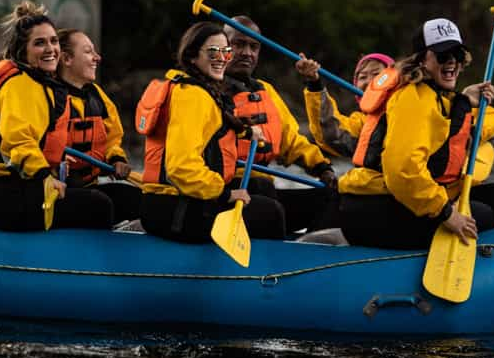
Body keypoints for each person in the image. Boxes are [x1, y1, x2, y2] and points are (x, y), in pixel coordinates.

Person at [336, 18, 494, 249]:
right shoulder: (412, 99)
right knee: (480, 215)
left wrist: (464, 98)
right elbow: (402, 171)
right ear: (422, 60)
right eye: (443, 55)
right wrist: (446, 213)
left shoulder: (437, 95)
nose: (452, 62)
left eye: (457, 54)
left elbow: (447, 128)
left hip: (394, 199)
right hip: (370, 210)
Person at [0, 1, 115, 232]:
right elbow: (18, 141)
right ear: (23, 51)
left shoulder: (43, 84)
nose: (50, 49)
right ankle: (82, 265)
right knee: (98, 206)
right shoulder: (18, 84)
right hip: (0, 193)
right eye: (39, 43)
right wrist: (45, 177)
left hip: (29, 184)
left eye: (53, 41)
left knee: (114, 198)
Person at [137, 21, 285, 243]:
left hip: (179, 201)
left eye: (226, 51)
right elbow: (181, 168)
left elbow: (215, 131)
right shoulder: (192, 96)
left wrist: (246, 133)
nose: (222, 58)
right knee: (270, 212)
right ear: (192, 57)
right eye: (213, 51)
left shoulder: (202, 91)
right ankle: (275, 273)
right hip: (174, 209)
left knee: (260, 186)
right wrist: (226, 194)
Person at [222, 16, 339, 234]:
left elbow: (291, 140)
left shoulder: (265, 91)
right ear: (222, 47)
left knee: (332, 197)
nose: (247, 53)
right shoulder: (208, 90)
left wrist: (322, 168)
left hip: (263, 190)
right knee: (266, 197)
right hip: (224, 192)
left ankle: (307, 255)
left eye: (254, 46)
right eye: (238, 44)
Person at [56, 28, 141, 224]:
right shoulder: (50, 97)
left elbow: (112, 138)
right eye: (88, 52)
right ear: (67, 59)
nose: (97, 57)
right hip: (55, 191)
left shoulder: (96, 96)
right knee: (100, 204)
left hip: (87, 187)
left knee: (137, 200)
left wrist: (116, 159)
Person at [299, 52, 395, 158]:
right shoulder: (361, 123)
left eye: (377, 75)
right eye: (363, 77)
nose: (368, 81)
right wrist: (314, 83)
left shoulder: (408, 110)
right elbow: (331, 135)